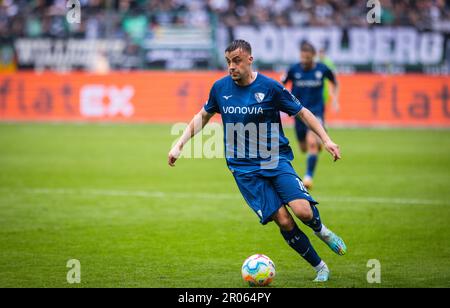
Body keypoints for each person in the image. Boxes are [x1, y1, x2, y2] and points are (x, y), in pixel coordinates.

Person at [168, 40, 346, 282]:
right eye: (229, 62)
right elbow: (203, 116)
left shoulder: (270, 87)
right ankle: (320, 267)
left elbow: (302, 112)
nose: (232, 66)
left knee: (303, 211)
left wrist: (326, 140)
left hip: (274, 159)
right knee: (283, 220)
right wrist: (180, 143)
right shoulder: (220, 88)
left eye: (237, 61)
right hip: (244, 169)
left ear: (249, 60)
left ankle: (322, 231)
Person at [282, 42, 339, 189]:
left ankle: (308, 177)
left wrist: (334, 99)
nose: (304, 61)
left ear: (313, 56)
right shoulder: (294, 69)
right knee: (303, 147)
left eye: (307, 58)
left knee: (312, 143)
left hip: (316, 112)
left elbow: (334, 82)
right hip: (298, 113)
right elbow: (281, 85)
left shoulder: (323, 69)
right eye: (302, 57)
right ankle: (318, 142)